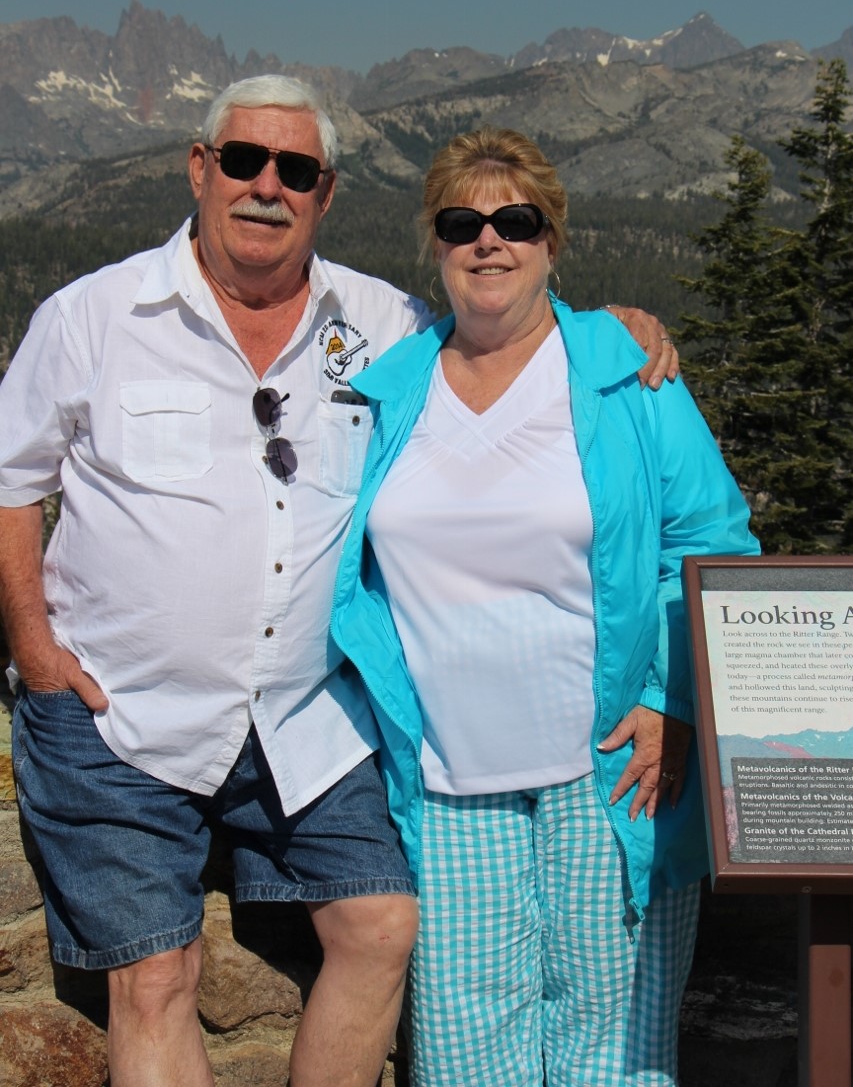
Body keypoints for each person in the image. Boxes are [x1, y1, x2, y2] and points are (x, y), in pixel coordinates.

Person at [0, 75, 678, 1087]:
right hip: (119, 720)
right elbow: (11, 480)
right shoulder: (93, 315)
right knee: (154, 978)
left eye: (296, 170)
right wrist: (35, 651)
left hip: (305, 719)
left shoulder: (388, 323)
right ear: (199, 169)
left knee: (380, 922)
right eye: (242, 161)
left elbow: (503, 321)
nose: (266, 186)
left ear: (327, 191)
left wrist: (609, 327)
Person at [331, 126, 760, 1086]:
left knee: (613, 1055)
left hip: (607, 778)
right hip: (443, 786)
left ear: (551, 241)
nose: (490, 241)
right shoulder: (385, 394)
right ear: (434, 245)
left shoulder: (626, 376)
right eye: (462, 222)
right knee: (460, 1058)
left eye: (515, 221)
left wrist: (670, 698)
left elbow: (713, 545)